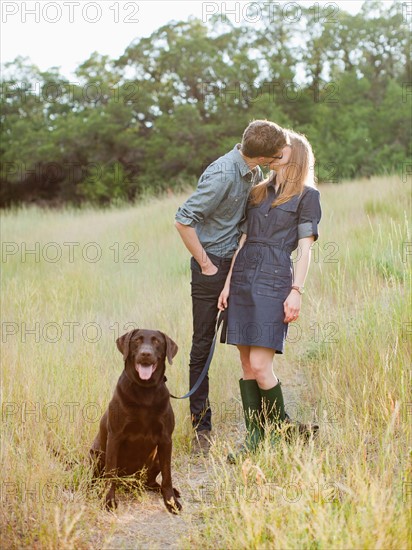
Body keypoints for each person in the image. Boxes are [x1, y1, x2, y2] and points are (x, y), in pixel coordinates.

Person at [175, 120, 289, 455]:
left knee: (250, 342)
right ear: (264, 156)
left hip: (239, 265)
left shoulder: (253, 172)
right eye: (278, 151)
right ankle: (201, 424)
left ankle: (273, 423)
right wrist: (207, 265)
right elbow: (183, 219)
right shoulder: (224, 173)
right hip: (212, 267)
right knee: (203, 343)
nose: (282, 154)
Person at [218, 130, 321, 457]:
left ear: (297, 156)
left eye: (283, 151)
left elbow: (305, 250)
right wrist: (227, 284)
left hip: (275, 280)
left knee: (262, 366)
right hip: (244, 277)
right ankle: (255, 437)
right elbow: (243, 242)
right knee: (247, 366)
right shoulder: (257, 192)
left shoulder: (307, 196)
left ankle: (277, 433)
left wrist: (296, 291)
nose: (275, 155)